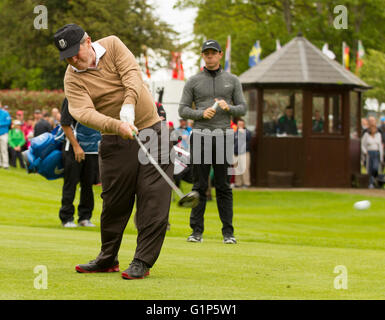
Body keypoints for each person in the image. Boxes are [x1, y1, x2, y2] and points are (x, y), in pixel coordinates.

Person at [54, 23, 173, 279]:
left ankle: (142, 260)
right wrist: (117, 125)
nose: (74, 60)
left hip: (152, 131)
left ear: (88, 41)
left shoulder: (113, 44)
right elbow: (82, 112)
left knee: (153, 197)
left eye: (77, 52)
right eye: (68, 57)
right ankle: (107, 258)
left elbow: (132, 74)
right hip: (115, 139)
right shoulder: (72, 78)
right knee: (114, 201)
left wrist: (129, 104)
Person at [179, 39, 246, 244]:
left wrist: (229, 109)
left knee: (223, 186)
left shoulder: (232, 80)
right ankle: (196, 232)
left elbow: (242, 108)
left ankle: (228, 233)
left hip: (223, 137)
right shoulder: (193, 80)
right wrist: (200, 113)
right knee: (199, 186)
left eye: (213, 53)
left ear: (219, 55)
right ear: (202, 56)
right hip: (200, 136)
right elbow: (182, 109)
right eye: (206, 53)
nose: (209, 56)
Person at [59, 97, 100, 228]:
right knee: (71, 183)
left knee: (88, 185)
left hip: (92, 150)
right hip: (73, 148)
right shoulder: (71, 98)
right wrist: (76, 146)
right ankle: (66, 218)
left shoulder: (99, 98)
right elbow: (65, 124)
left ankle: (85, 217)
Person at [361, 122, 383, 188]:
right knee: (369, 169)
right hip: (369, 153)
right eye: (372, 128)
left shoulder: (378, 135)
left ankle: (374, 180)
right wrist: (365, 152)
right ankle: (371, 183)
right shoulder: (366, 135)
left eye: (374, 128)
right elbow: (362, 144)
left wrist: (381, 156)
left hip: (376, 153)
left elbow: (380, 146)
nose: (373, 130)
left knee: (375, 168)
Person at [234, 119, 251, 188]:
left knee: (245, 168)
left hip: (244, 153)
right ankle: (238, 183)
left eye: (242, 124)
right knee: (237, 169)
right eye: (239, 124)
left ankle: (246, 183)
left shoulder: (247, 132)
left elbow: (248, 139)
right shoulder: (235, 133)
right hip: (236, 153)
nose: (240, 125)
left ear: (244, 125)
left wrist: (242, 132)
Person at [0, 102, 12, 169]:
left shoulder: (5, 113)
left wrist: (0, 124)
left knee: (4, 149)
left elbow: (8, 122)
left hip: (4, 134)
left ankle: (5, 164)